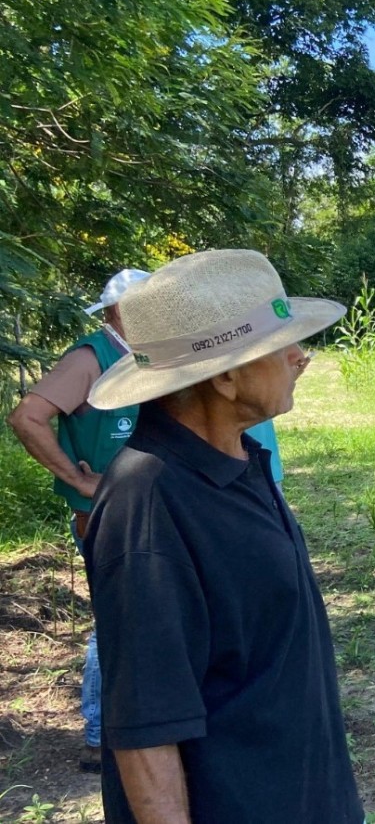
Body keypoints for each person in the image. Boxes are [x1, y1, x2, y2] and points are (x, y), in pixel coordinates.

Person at [81, 249, 355, 823]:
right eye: (281, 345)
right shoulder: (149, 502)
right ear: (227, 375)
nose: (300, 357)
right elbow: (145, 729)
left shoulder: (238, 459)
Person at [6, 267, 150, 772]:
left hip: (144, 510)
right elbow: (27, 417)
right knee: (114, 620)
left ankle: (136, 724)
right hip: (106, 515)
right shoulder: (91, 358)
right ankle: (98, 736)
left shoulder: (143, 352)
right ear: (120, 311)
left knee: (144, 616)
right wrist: (80, 480)